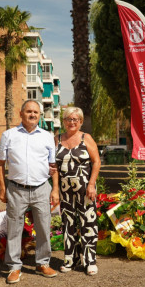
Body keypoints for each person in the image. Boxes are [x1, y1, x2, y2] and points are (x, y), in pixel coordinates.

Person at [0, 100, 59, 284]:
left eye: (36, 112)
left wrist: (55, 189)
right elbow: (0, 164)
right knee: (14, 229)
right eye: (29, 111)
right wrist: (2, 188)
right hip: (16, 189)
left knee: (43, 227)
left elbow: (53, 165)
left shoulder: (47, 136)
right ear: (21, 113)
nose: (33, 115)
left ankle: (42, 263)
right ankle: (14, 267)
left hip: (41, 188)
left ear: (40, 115)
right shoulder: (8, 135)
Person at [53, 106, 101, 276]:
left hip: (85, 190)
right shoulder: (57, 139)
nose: (72, 122)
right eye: (68, 119)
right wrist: (55, 190)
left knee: (88, 223)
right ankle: (70, 259)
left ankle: (89, 261)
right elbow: (55, 167)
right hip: (65, 191)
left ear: (80, 122)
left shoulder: (86, 138)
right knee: (68, 225)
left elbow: (96, 162)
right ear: (64, 121)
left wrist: (91, 184)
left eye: (75, 119)